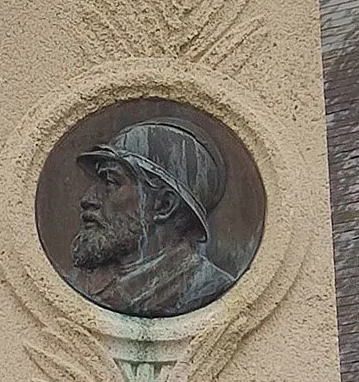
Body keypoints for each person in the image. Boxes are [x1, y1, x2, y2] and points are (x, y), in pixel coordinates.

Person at [69, 118, 241, 317]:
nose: (88, 199)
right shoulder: (90, 285)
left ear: (164, 205)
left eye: (110, 182)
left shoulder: (207, 288)